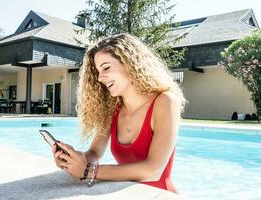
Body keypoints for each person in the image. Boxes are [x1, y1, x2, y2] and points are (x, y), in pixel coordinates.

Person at [52, 33, 186, 193]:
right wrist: (74, 160)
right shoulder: (112, 109)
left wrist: (89, 171)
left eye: (106, 68)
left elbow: (153, 171)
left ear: (130, 63)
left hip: (160, 195)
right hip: (128, 194)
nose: (100, 78)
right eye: (98, 72)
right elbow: (95, 153)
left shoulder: (165, 101)